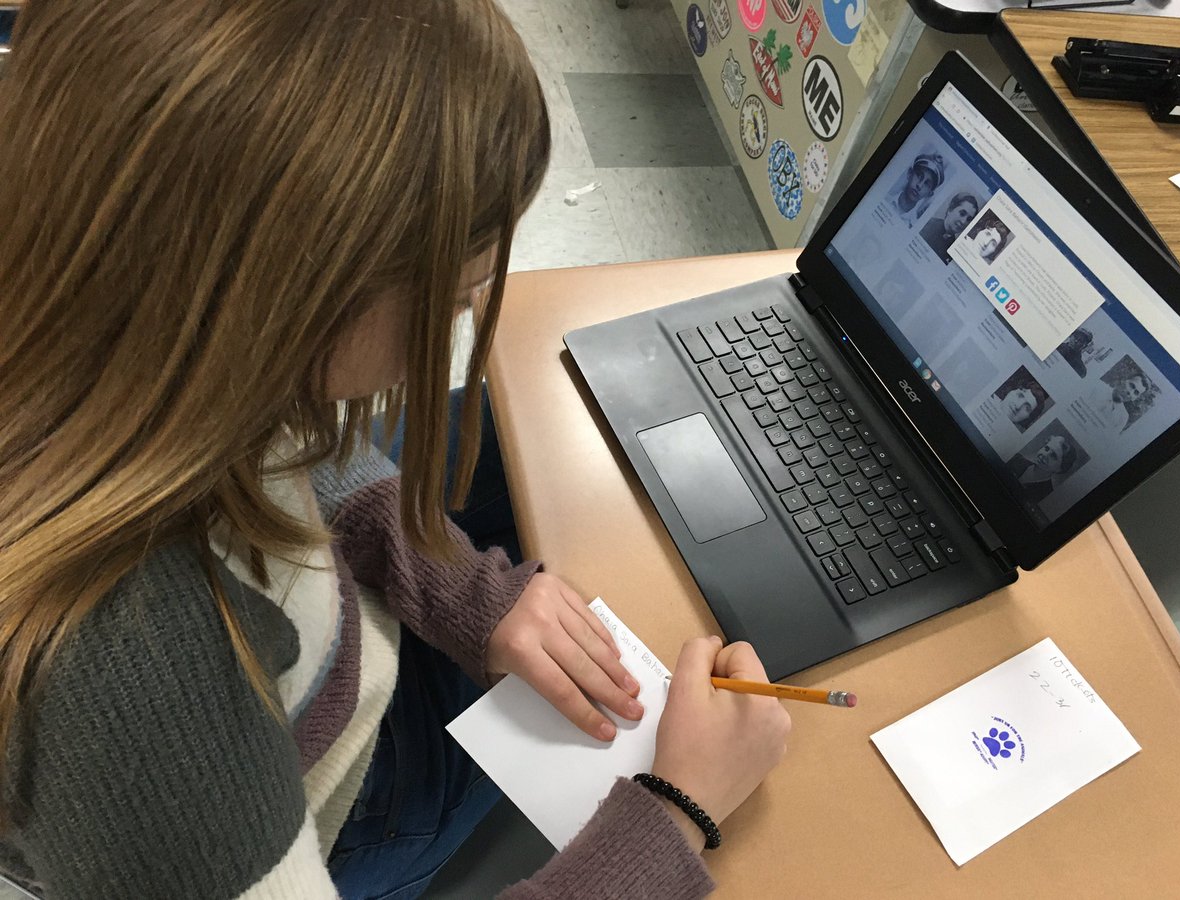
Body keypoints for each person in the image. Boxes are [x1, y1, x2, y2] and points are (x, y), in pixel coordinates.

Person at [0, 3, 791, 898]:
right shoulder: (141, 691)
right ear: (282, 307)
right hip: (336, 796)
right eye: (454, 299)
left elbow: (289, 441)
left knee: (545, 436)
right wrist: (676, 811)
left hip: (313, 641)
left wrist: (463, 588)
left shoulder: (100, 277)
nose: (473, 308)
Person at [1008, 434, 1079, 504]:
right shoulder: (1016, 459)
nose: (1045, 455)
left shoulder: (1047, 495)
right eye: (1046, 448)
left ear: (1060, 469)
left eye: (1053, 456)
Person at [886, 152, 945, 227]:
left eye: (927, 184)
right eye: (919, 176)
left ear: (929, 194)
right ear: (909, 174)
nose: (919, 185)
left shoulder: (913, 225)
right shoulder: (885, 199)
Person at [919, 191, 979, 263]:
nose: (963, 221)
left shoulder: (953, 248)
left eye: (968, 219)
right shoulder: (926, 225)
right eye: (962, 213)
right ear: (950, 209)